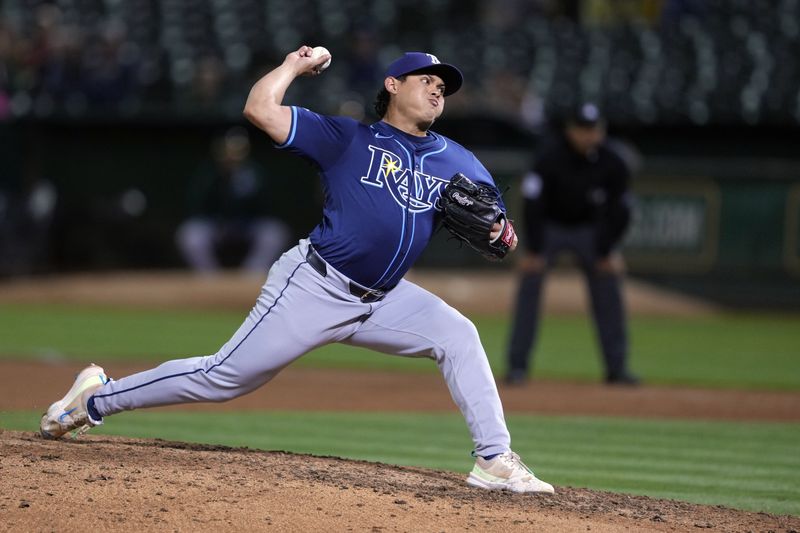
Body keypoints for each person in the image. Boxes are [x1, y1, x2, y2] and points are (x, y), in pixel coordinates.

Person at [40, 47, 554, 494]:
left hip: (384, 299)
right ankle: (96, 398)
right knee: (224, 377)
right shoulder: (347, 139)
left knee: (459, 335)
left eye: (443, 87)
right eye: (427, 81)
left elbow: (497, 224)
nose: (438, 93)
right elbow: (259, 109)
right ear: (392, 85)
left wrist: (501, 233)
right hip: (315, 285)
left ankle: (493, 460)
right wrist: (292, 65)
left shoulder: (456, 159)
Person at [505, 103, 639, 386]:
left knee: (608, 285)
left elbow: (622, 210)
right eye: (582, 129)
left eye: (593, 129)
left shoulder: (613, 161)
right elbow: (533, 203)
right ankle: (517, 366)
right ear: (570, 130)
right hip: (551, 229)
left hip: (592, 233)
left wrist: (607, 250)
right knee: (530, 282)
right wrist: (534, 250)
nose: (588, 135)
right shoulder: (549, 156)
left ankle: (617, 368)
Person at [175, 126, 290, 274]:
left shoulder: (254, 173)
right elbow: (197, 206)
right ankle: (209, 277)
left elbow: (267, 207)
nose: (232, 154)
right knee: (190, 234)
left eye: (238, 148)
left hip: (248, 225)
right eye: (228, 149)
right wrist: (222, 182)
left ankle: (250, 276)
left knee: (275, 233)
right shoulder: (210, 174)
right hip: (216, 226)